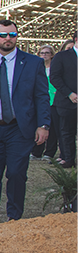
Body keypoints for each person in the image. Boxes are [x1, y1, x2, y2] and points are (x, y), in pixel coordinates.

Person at [0, 19, 50, 222]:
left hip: (20, 128)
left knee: (17, 173)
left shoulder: (33, 63)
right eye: (3, 35)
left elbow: (42, 96)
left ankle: (14, 217)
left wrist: (43, 125)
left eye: (12, 35)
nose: (8, 39)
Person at [51, 33, 77, 168]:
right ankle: (68, 159)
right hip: (67, 102)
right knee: (67, 132)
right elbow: (54, 77)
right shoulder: (62, 56)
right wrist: (69, 94)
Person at [31, 44, 57, 160]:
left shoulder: (55, 68)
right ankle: (37, 151)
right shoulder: (36, 67)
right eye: (42, 53)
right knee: (39, 125)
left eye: (47, 53)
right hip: (41, 101)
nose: (44, 55)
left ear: (52, 55)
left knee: (53, 128)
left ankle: (49, 153)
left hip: (54, 100)